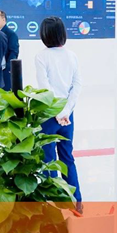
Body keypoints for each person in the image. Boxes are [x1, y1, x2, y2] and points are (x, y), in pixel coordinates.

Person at [35, 16, 82, 206]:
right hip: (67, 116)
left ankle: (54, 203)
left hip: (49, 114)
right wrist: (66, 111)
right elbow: (77, 86)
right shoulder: (72, 56)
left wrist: (56, 112)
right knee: (67, 157)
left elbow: (45, 88)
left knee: (48, 159)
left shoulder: (41, 56)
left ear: (44, 34)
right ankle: (76, 201)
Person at [0, 10, 20, 91]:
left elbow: (13, 52)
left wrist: (8, 68)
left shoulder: (11, 34)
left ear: (3, 19)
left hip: (4, 73)